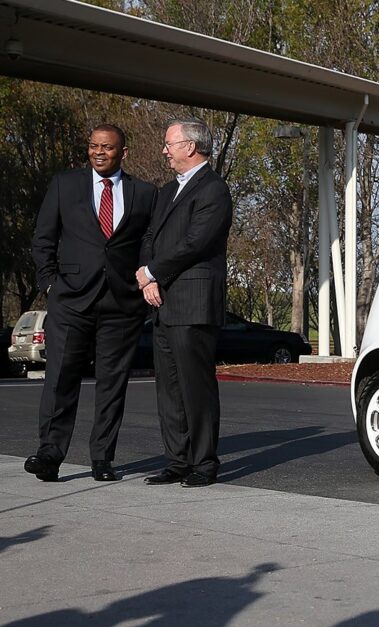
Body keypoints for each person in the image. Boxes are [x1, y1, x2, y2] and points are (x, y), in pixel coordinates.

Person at [25, 124, 158, 483]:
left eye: (107, 147)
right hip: (70, 300)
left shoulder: (145, 193)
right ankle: (49, 454)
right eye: (93, 146)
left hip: (122, 304)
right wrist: (50, 284)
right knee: (59, 379)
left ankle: (102, 458)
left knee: (111, 384)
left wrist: (143, 279)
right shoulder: (64, 185)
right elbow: (43, 239)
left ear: (123, 153)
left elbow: (148, 242)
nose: (99, 152)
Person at [137, 117, 232, 488]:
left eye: (169, 144)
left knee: (196, 386)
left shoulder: (214, 190)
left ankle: (203, 463)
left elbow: (196, 242)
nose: (164, 150)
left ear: (190, 146)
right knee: (169, 388)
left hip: (193, 301)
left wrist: (153, 272)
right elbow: (150, 236)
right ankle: (177, 461)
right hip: (162, 301)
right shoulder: (166, 192)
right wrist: (148, 277)